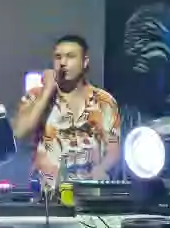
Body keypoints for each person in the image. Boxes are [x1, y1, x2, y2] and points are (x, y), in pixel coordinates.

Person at [12, 35, 120, 188]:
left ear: (85, 62)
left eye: (70, 56)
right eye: (58, 57)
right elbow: (19, 131)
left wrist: (102, 169)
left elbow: (113, 148)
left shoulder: (104, 101)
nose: (63, 62)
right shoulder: (36, 96)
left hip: (89, 189)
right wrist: (47, 91)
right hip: (47, 192)